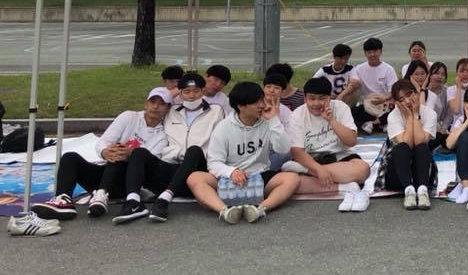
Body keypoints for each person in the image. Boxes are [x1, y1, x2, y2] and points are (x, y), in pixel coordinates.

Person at [33, 88, 172, 221]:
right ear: (146, 104)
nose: (155, 107)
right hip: (107, 171)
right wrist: (105, 152)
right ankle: (63, 200)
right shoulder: (129, 116)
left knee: (119, 154)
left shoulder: (163, 135)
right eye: (153, 102)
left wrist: (129, 154)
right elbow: (103, 141)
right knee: (70, 157)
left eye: (161, 104)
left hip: (126, 183)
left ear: (167, 108)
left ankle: (102, 194)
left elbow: (151, 164)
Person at [114, 72, 224, 224]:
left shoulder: (216, 111)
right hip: (171, 167)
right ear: (180, 93)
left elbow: (220, 142)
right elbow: (163, 98)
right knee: (139, 152)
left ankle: (165, 199)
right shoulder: (170, 111)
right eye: (186, 91)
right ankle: (133, 202)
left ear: (203, 91)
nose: (191, 95)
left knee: (194, 150)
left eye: (196, 91)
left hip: (197, 172)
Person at [186, 82, 299, 224]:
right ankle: (225, 211)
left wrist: (274, 120)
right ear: (241, 106)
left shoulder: (267, 123)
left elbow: (284, 149)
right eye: (256, 102)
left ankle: (259, 209)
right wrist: (231, 171)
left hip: (259, 176)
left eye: (262, 100)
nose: (262, 105)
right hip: (228, 178)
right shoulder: (223, 128)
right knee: (195, 178)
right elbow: (214, 163)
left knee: (292, 178)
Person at [285, 77, 371, 212]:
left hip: (339, 157)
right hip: (311, 159)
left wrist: (331, 120)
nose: (316, 103)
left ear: (329, 98)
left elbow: (351, 141)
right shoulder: (297, 114)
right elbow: (297, 152)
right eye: (311, 99)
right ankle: (345, 186)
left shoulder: (340, 107)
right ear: (305, 99)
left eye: (322, 98)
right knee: (289, 182)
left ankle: (306, 171)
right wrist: (318, 169)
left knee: (362, 170)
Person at [383, 79, 438, 209]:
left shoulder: (430, 114)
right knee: (401, 148)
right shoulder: (393, 116)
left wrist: (415, 114)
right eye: (401, 99)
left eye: (409, 95)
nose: (407, 101)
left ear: (417, 93)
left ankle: (423, 191)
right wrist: (408, 117)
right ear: (396, 103)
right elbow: (407, 144)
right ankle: (409, 191)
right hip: (398, 171)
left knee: (422, 147)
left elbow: (420, 142)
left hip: (422, 171)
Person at [352, 37, 398, 133]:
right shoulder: (359, 68)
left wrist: (383, 99)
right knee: (352, 112)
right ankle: (382, 123)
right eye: (369, 52)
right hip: (368, 106)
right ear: (365, 53)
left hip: (385, 105)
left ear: (380, 51)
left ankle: (373, 124)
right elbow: (352, 84)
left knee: (397, 110)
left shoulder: (388, 69)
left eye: (375, 51)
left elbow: (394, 91)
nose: (372, 54)